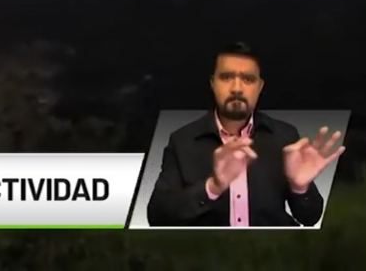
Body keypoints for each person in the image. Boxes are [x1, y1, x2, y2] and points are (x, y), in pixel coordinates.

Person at [145, 42, 344, 227]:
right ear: (213, 83)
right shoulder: (182, 141)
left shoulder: (284, 136)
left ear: (259, 87)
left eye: (248, 79)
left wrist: (300, 187)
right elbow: (157, 217)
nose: (237, 88)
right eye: (226, 77)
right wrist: (212, 187)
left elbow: (310, 219)